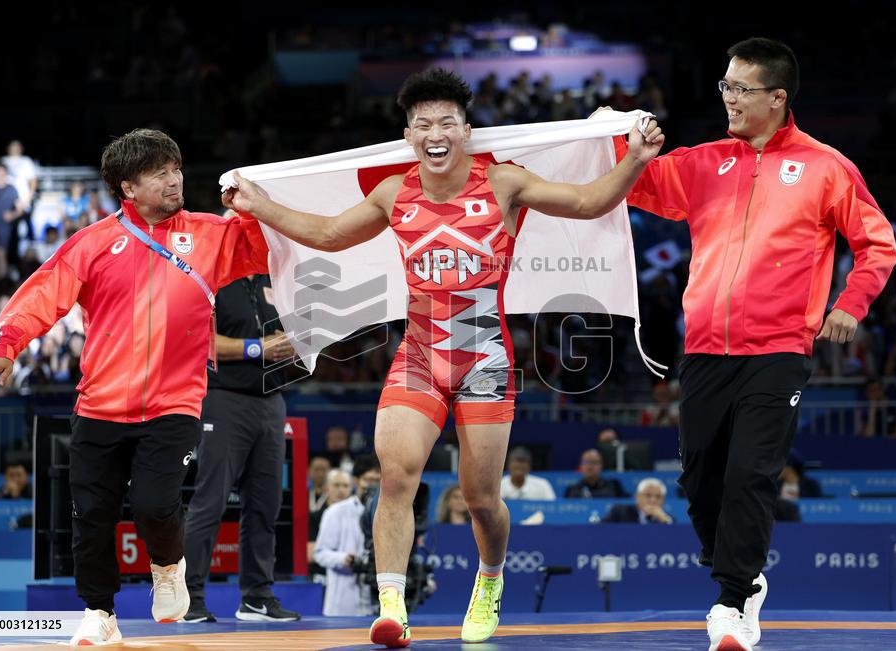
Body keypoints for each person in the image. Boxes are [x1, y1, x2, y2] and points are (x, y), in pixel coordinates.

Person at [222, 67, 663, 647]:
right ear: (409, 135)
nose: (435, 131)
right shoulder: (392, 193)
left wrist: (634, 159)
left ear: (466, 130)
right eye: (423, 122)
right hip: (419, 359)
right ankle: (391, 606)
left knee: (481, 499)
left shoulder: (503, 182)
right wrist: (258, 205)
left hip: (485, 359)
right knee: (396, 477)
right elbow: (329, 235)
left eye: (446, 122)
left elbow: (586, 202)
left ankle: (490, 578)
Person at [614, 38, 896, 651]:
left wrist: (849, 305)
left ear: (777, 97)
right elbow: (633, 185)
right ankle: (741, 574)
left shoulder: (827, 167)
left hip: (778, 350)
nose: (729, 98)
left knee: (751, 474)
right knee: (697, 479)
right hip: (705, 350)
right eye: (724, 86)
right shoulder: (704, 161)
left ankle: (733, 599)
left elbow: (878, 244)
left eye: (741, 88)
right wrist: (617, 143)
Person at [0, 128, 271, 646]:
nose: (175, 179)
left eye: (176, 168)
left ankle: (167, 566)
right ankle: (99, 613)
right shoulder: (91, 244)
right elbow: (41, 295)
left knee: (156, 505)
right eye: (159, 172)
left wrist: (252, 209)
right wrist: (6, 346)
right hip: (99, 406)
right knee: (91, 518)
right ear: (127, 187)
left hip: (174, 403)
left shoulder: (208, 234)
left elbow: (267, 249)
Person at [181, 272, 301, 624]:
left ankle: (257, 597)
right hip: (223, 398)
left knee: (266, 505)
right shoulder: (211, 280)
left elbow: (285, 339)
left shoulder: (275, 280)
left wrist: (295, 347)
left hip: (271, 399)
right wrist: (259, 347)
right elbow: (198, 340)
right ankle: (189, 598)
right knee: (210, 499)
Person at [313, 456, 381, 616]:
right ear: (356, 480)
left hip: (377, 602)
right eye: (369, 480)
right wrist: (344, 559)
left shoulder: (387, 515)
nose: (373, 485)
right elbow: (320, 553)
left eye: (378, 480)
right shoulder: (335, 512)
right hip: (343, 604)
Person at [308, 468, 354, 580]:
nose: (341, 490)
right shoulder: (315, 517)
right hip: (321, 577)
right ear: (326, 488)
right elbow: (310, 554)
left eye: (345, 486)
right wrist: (340, 557)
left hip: (350, 576)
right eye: (336, 485)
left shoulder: (359, 516)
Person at [603, 478, 674, 524]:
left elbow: (675, 540)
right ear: (637, 497)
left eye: (658, 497)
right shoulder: (619, 513)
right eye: (648, 495)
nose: (653, 500)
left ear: (663, 500)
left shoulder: (668, 519)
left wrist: (664, 520)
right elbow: (600, 530)